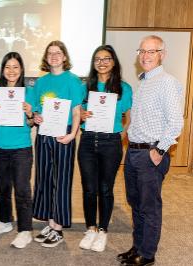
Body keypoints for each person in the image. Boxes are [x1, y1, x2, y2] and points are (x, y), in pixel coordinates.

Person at [118, 35, 184, 266]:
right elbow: (139, 120)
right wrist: (124, 132)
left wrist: (159, 151)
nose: (145, 56)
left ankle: (147, 255)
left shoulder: (166, 82)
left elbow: (176, 122)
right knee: (135, 204)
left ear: (161, 54)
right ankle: (137, 247)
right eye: (142, 51)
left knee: (149, 207)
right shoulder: (144, 82)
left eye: (151, 51)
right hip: (134, 152)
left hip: (150, 154)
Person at [77, 45, 132, 252]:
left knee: (106, 189)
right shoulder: (86, 87)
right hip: (88, 141)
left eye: (106, 58)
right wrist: (81, 116)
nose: (102, 62)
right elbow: (79, 112)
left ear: (114, 61)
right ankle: (90, 228)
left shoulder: (123, 88)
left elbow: (129, 118)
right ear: (93, 64)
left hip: (111, 143)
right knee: (89, 188)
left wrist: (121, 135)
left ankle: (103, 230)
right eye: (97, 59)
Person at [32, 40, 83, 248]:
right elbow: (36, 109)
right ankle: (50, 222)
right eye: (50, 53)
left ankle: (59, 228)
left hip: (64, 137)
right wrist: (36, 116)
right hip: (44, 136)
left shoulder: (73, 81)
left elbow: (77, 111)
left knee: (61, 181)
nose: (54, 56)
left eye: (58, 53)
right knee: (44, 179)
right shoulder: (41, 82)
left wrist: (73, 134)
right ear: (46, 57)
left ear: (64, 57)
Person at [0, 52, 34, 248]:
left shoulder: (29, 92)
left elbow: (32, 122)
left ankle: (25, 230)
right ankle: (5, 221)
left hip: (21, 148)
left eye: (15, 67)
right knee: (2, 189)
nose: (11, 71)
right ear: (2, 70)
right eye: (7, 67)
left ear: (21, 69)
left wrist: (30, 112)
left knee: (22, 190)